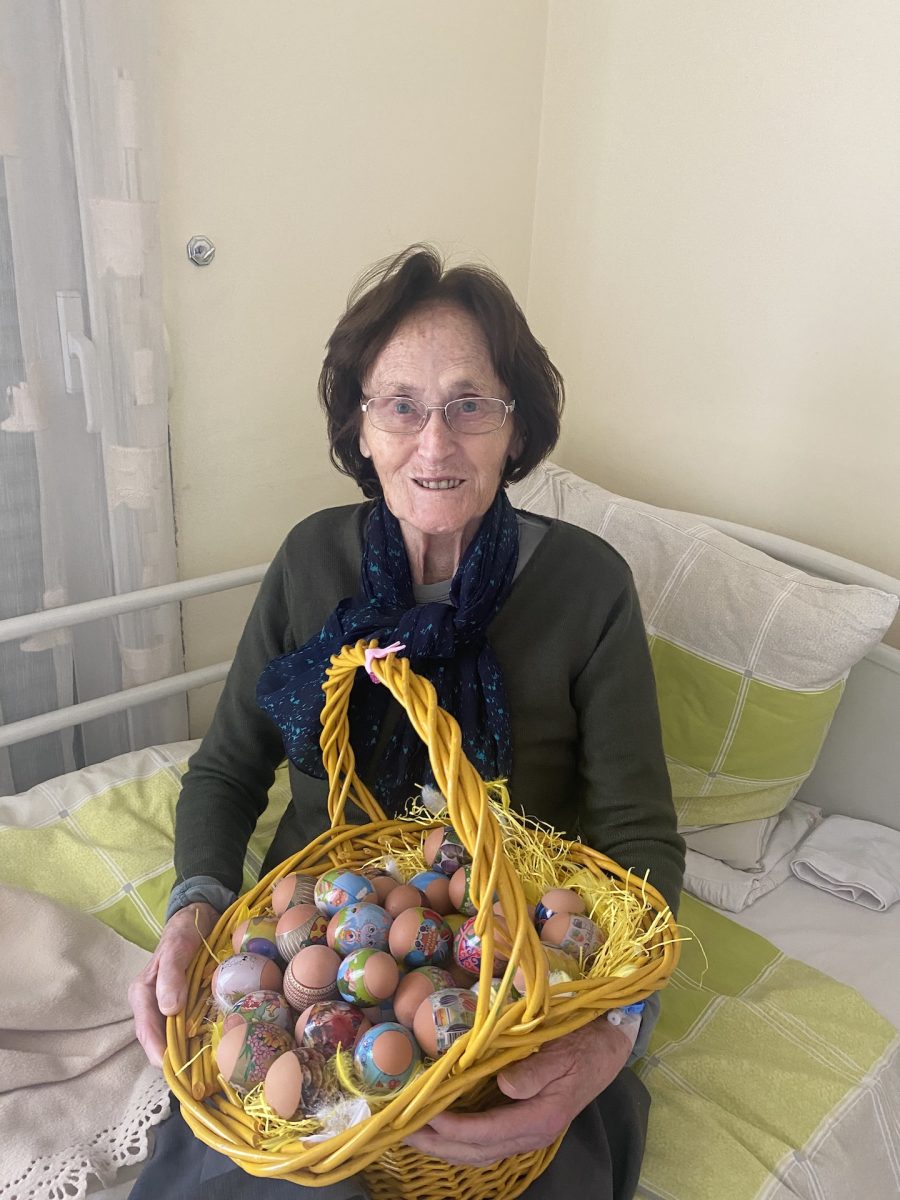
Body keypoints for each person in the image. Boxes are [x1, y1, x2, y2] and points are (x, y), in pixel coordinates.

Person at [129, 244, 685, 1200]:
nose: (435, 444)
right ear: (361, 425)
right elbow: (225, 772)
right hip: (317, 938)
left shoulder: (589, 587)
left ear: (516, 427)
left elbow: (640, 837)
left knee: (511, 1154)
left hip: (507, 965)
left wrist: (613, 1030)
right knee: (271, 1168)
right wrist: (194, 910)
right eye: (400, 405)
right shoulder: (310, 561)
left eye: (470, 405)